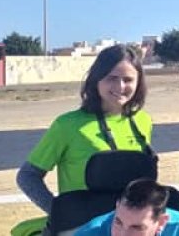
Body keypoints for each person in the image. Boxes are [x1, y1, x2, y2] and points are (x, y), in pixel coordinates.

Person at [18, 44, 153, 214]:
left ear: (138, 82)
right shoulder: (67, 125)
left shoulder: (142, 121)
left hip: (130, 226)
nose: (120, 86)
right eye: (111, 78)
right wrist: (59, 212)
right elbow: (27, 176)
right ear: (96, 79)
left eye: (128, 80)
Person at [74, 179, 179, 236]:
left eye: (136, 227)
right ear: (117, 206)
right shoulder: (90, 233)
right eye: (118, 222)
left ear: (162, 222)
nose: (123, 234)